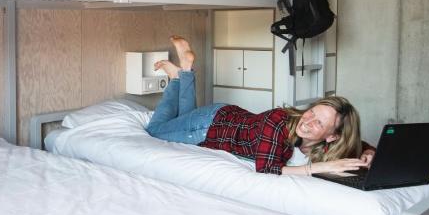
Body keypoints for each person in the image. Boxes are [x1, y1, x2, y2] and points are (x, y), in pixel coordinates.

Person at [146, 36, 374, 175]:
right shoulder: (279, 122)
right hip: (209, 126)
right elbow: (266, 168)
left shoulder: (329, 142)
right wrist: (320, 168)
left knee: (183, 116)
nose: (308, 120)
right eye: (312, 112)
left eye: (319, 123)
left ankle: (185, 69)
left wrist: (369, 152)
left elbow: (354, 142)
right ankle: (177, 78)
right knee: (155, 131)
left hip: (222, 115)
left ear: (332, 136)